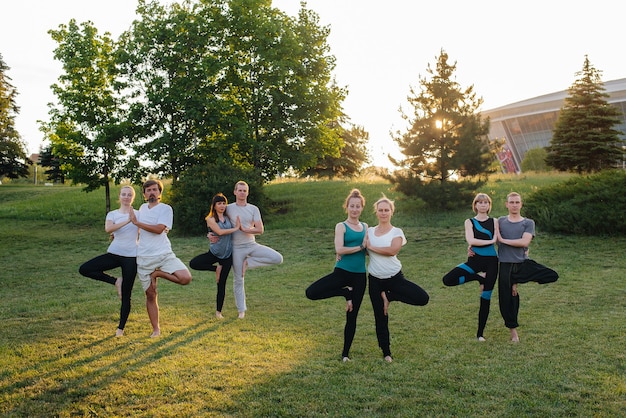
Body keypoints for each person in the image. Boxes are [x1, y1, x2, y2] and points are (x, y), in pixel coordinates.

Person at [305, 189, 368, 362]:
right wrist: (360, 247)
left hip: (360, 276)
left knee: (352, 316)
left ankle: (345, 354)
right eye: (352, 206)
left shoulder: (366, 227)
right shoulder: (341, 226)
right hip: (341, 272)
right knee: (311, 292)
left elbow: (369, 249)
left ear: (362, 208)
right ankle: (344, 292)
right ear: (347, 207)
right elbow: (339, 249)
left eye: (358, 206)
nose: (354, 209)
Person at [366, 196, 429, 362]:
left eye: (387, 210)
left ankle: (390, 297)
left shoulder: (397, 232)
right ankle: (386, 352)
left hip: (395, 278)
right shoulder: (369, 231)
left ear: (391, 212)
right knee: (380, 316)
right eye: (381, 210)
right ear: (376, 212)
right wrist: (340, 253)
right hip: (374, 280)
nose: (383, 213)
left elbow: (393, 250)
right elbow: (360, 249)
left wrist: (371, 247)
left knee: (422, 298)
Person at [129, 179, 192, 337]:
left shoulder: (166, 209)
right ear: (144, 194)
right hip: (143, 257)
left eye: (154, 190)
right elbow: (132, 226)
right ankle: (156, 329)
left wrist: (138, 223)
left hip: (164, 255)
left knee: (185, 278)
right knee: (151, 294)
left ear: (159, 193)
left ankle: (157, 273)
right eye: (148, 190)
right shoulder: (142, 208)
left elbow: (159, 229)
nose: (151, 192)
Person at [497, 192, 559, 342]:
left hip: (522, 263)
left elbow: (525, 242)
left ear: (521, 204)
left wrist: (502, 240)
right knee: (508, 300)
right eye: (511, 202)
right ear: (506, 204)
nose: (514, 205)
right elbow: (488, 236)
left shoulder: (528, 223)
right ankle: (513, 333)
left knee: (552, 275)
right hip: (505, 265)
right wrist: (471, 247)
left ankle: (518, 280)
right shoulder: (499, 221)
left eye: (517, 202)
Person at [78, 185, 139, 337]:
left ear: (133, 197)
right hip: (114, 253)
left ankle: (120, 329)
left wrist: (163, 230)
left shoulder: (139, 213)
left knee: (126, 294)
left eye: (129, 194)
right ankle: (115, 281)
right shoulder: (112, 214)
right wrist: (128, 221)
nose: (126, 197)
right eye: (123, 194)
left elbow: (148, 228)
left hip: (132, 257)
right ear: (119, 197)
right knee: (85, 269)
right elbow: (108, 229)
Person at [442, 193, 499, 341]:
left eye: (485, 202)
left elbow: (500, 241)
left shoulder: (495, 221)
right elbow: (471, 239)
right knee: (448, 279)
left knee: (485, 297)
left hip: (492, 262)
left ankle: (480, 334)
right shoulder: (469, 221)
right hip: (474, 261)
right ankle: (478, 278)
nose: (482, 205)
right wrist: (491, 240)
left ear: (489, 205)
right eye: (479, 202)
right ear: (475, 205)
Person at [225, 180, 283, 319]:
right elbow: (216, 220)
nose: (242, 193)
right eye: (240, 190)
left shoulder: (253, 209)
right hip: (236, 248)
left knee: (277, 258)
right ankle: (241, 311)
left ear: (248, 192)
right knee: (239, 279)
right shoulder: (228, 208)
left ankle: (248, 263)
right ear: (235, 192)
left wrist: (246, 229)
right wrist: (212, 235)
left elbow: (260, 229)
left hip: (251, 245)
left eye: (245, 190)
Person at [189, 193, 240, 319]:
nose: (222, 206)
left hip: (227, 255)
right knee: (193, 263)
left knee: (221, 284)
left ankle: (218, 312)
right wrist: (235, 229)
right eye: (219, 203)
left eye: (224, 203)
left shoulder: (229, 217)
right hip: (214, 253)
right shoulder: (210, 219)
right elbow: (219, 232)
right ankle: (215, 269)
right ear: (214, 205)